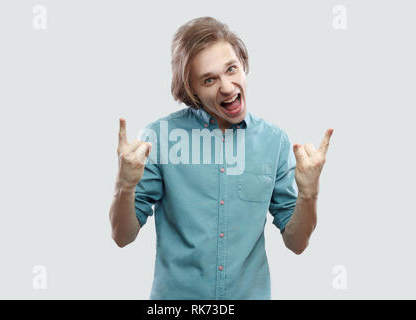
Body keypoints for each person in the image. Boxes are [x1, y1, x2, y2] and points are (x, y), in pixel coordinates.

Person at [109, 16, 333, 300]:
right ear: (191, 90)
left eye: (231, 69)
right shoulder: (158, 139)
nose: (226, 87)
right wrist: (124, 186)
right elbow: (122, 237)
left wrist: (309, 193)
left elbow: (297, 243)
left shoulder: (275, 142)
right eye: (209, 79)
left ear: (243, 65)